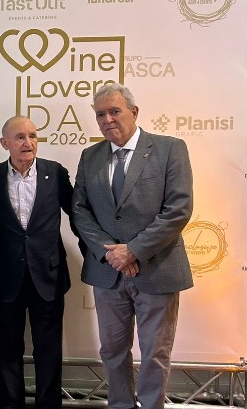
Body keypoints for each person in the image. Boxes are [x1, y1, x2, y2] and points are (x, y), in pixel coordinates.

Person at [72, 83, 193, 409]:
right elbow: (80, 211)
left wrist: (134, 250)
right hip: (108, 273)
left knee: (155, 353)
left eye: (115, 111)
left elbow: (178, 209)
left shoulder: (170, 149)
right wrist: (111, 253)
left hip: (157, 270)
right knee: (112, 350)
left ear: (134, 112)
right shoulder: (90, 156)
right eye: (100, 114)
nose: (107, 120)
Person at [0, 116, 76, 409]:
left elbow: (79, 216)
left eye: (33, 136)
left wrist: (99, 251)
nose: (28, 143)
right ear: (5, 143)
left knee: (48, 350)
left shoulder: (55, 173)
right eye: (20, 137)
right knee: (7, 350)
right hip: (5, 276)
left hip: (47, 276)